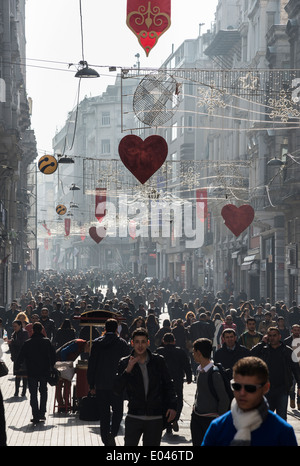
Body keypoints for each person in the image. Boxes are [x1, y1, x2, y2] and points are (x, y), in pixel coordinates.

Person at [202, 356, 298, 446]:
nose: (242, 393)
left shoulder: (282, 432)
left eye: (250, 388)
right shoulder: (217, 427)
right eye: (237, 386)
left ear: (265, 388)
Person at [114, 327, 177, 446]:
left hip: (155, 416)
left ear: (148, 343)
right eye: (137, 342)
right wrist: (127, 370)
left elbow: (169, 384)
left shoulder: (158, 361)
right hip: (134, 415)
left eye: (143, 342)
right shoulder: (124, 362)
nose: (140, 345)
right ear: (132, 343)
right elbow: (117, 390)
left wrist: (172, 406)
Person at [87, 318, 130, 446]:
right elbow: (127, 364)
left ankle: (106, 439)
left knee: (104, 414)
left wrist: (91, 384)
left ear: (104, 328)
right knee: (117, 412)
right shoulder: (122, 343)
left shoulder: (97, 343)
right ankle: (113, 433)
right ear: (117, 329)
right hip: (117, 384)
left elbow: (92, 365)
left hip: (101, 384)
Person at [251, 327, 300, 420]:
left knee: (281, 418)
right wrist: (262, 342)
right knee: (265, 419)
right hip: (266, 390)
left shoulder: (287, 350)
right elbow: (251, 355)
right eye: (270, 336)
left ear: (279, 336)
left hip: (282, 390)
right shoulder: (264, 350)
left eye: (274, 335)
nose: (272, 338)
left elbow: (296, 369)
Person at [190, 337, 230, 445]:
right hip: (197, 416)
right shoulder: (200, 370)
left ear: (198, 353)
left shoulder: (214, 374)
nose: (192, 354)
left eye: (194, 352)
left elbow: (224, 399)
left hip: (210, 420)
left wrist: (218, 419)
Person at [15, 322, 56, 424]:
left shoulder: (28, 342)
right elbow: (53, 356)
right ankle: (42, 413)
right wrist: (51, 366)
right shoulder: (47, 342)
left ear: (32, 330)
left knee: (33, 394)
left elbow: (21, 356)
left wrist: (17, 367)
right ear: (42, 330)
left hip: (32, 371)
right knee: (43, 392)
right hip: (44, 371)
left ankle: (35, 415)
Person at [156, 333, 192, 434]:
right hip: (177, 379)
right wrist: (189, 376)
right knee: (178, 399)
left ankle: (168, 422)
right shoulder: (180, 351)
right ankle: (175, 418)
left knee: (165, 399)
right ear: (174, 341)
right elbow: (186, 364)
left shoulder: (159, 351)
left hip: (163, 380)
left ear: (163, 340)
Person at [8, 320, 29, 397]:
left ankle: (23, 391)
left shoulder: (24, 333)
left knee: (24, 375)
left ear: (20, 325)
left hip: (23, 356)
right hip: (16, 357)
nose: (14, 328)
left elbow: (23, 343)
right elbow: (12, 345)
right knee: (17, 375)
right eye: (13, 326)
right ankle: (16, 391)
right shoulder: (14, 334)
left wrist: (12, 342)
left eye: (15, 326)